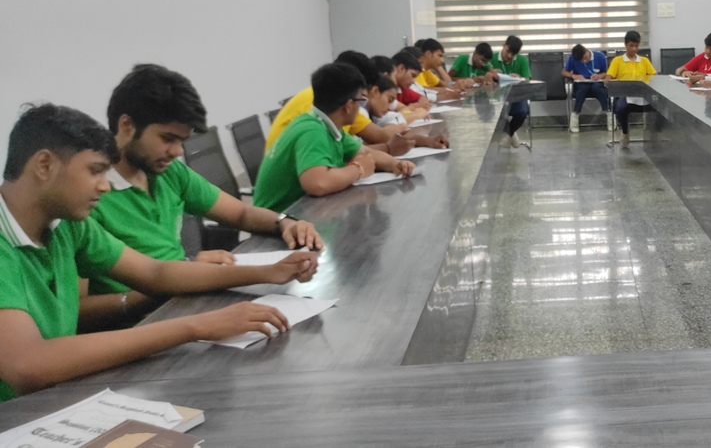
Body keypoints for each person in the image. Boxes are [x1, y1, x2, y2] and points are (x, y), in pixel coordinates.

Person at [0, 103, 319, 402]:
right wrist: (196, 327)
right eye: (95, 171)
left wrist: (267, 272)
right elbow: (28, 365)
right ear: (44, 165)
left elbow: (154, 272)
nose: (105, 186)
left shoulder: (67, 225)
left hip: (56, 399)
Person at [85, 64, 324, 324]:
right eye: (168, 138)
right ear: (127, 125)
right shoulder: (87, 198)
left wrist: (284, 222)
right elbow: (79, 310)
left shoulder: (169, 173)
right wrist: (164, 287)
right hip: (140, 325)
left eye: (182, 141)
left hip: (183, 301)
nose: (178, 152)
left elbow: (241, 213)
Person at [254, 63, 417, 213]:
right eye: (361, 101)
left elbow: (365, 153)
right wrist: (358, 169)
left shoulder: (326, 126)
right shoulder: (312, 131)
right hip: (278, 221)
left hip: (304, 213)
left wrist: (395, 164)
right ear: (348, 105)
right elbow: (318, 184)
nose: (361, 108)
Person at [267, 51, 414, 156]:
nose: (364, 99)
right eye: (363, 94)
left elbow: (355, 147)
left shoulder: (338, 102)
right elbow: (379, 137)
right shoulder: (322, 102)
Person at [607, 30, 657, 148]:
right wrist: (615, 83)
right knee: (620, 108)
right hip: (626, 95)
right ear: (625, 45)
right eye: (631, 46)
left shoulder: (644, 61)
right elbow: (608, 79)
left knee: (660, 106)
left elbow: (654, 78)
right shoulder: (617, 61)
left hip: (643, 95)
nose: (634, 49)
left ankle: (655, 133)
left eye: (636, 46)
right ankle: (625, 131)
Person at [490, 36, 532, 148]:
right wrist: (492, 75)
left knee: (522, 112)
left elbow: (527, 79)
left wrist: (519, 77)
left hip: (517, 96)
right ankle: (510, 133)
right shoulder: (492, 59)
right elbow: (484, 78)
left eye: (513, 54)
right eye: (508, 51)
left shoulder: (522, 60)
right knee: (496, 113)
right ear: (504, 45)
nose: (509, 56)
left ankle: (508, 133)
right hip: (497, 96)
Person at [563, 43, 611, 133]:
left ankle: (609, 114)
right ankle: (575, 115)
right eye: (581, 60)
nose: (584, 61)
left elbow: (607, 73)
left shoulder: (600, 56)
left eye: (585, 58)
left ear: (586, 51)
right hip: (581, 84)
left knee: (598, 89)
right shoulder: (573, 58)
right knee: (582, 89)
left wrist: (599, 76)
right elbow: (564, 72)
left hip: (597, 83)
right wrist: (573, 76)